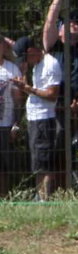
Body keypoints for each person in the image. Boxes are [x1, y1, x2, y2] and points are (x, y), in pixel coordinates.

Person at [16, 37, 63, 199]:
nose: (26, 63)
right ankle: (40, 196)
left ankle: (44, 199)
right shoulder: (37, 65)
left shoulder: (51, 64)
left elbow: (52, 94)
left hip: (44, 119)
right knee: (37, 162)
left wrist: (30, 89)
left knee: (44, 162)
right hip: (34, 119)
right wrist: (25, 85)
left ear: (31, 51)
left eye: (25, 59)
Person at [0, 36, 22, 198]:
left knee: (4, 166)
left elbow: (18, 99)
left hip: (6, 124)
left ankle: (3, 197)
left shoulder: (12, 69)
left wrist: (16, 123)